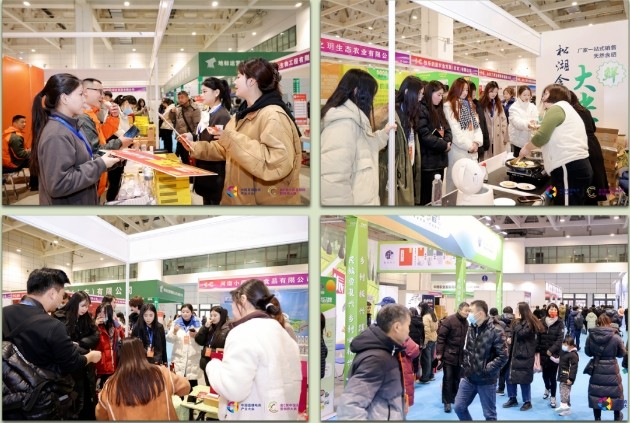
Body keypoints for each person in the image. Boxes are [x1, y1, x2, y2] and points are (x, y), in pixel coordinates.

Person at [181, 58, 303, 205]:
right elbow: (224, 149)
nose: (234, 82)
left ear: (251, 81)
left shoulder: (273, 115)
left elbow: (276, 163)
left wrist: (232, 139)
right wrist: (194, 146)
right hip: (239, 198)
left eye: (238, 77)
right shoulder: (241, 115)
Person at [2, 269, 102, 420]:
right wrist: (91, 356)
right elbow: (71, 363)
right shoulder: (53, 325)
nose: (61, 300)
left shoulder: (4, 313)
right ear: (52, 293)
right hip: (39, 400)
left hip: (10, 399)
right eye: (62, 294)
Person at [206, 279, 302, 420]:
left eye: (233, 302)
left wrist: (213, 366)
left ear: (243, 299)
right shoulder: (284, 335)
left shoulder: (243, 332)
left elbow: (233, 388)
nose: (232, 307)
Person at [30, 73, 120, 205]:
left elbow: (82, 161)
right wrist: (100, 164)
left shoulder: (71, 126)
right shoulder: (57, 134)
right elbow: (59, 184)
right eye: (80, 94)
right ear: (64, 99)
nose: (84, 99)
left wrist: (109, 159)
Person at [321, 68, 395, 205]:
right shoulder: (343, 125)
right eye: (370, 95)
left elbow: (364, 148)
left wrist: (384, 134)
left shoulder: (355, 120)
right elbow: (334, 182)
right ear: (356, 91)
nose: (372, 100)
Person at [518, 84, 593, 205]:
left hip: (568, 167)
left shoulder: (557, 107)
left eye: (546, 93)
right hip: (577, 167)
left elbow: (542, 136)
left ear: (556, 95)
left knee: (566, 210)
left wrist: (527, 148)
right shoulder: (567, 109)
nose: (543, 97)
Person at [337, 303, 410, 420]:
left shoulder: (388, 351)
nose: (409, 331)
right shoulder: (377, 359)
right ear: (397, 327)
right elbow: (349, 407)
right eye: (408, 325)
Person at [95, 338, 191, 420]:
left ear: (119, 356)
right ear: (142, 352)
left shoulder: (109, 386)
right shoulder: (161, 373)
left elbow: (100, 415)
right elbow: (186, 387)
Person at [78, 78, 134, 199]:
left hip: (97, 175)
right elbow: (95, 150)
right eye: (99, 91)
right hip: (90, 176)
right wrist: (119, 143)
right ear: (85, 91)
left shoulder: (92, 113)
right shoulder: (83, 116)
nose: (102, 96)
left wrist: (113, 117)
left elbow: (102, 136)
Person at [454, 300, 508, 421]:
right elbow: (468, 350)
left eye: (471, 311)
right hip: (469, 378)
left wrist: (486, 369)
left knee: (489, 415)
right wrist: (465, 367)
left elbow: (503, 356)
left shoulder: (496, 330)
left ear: (481, 313)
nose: (469, 314)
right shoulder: (472, 327)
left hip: (486, 380)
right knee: (459, 407)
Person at [53, 290, 100, 419]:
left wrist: (80, 343)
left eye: (87, 306)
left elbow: (96, 335)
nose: (85, 309)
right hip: (69, 369)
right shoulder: (60, 318)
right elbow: (64, 345)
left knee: (87, 398)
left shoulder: (87, 318)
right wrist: (83, 348)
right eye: (83, 305)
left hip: (86, 367)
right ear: (74, 303)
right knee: (73, 401)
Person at [377, 75, 423, 205]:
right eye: (419, 94)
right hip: (395, 172)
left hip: (408, 166)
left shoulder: (410, 112)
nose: (421, 97)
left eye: (422, 94)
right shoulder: (391, 116)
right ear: (407, 92)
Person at [189, 77, 232, 205]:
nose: (201, 95)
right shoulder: (208, 112)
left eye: (204, 91)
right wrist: (191, 137)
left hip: (215, 173)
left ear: (216, 93)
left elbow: (219, 148)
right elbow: (204, 135)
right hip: (205, 169)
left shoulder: (222, 116)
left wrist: (196, 146)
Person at [568, 91, 609, 204]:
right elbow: (593, 128)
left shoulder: (570, 113)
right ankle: (593, 201)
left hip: (582, 144)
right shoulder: (585, 110)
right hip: (593, 144)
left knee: (587, 176)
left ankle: (588, 203)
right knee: (596, 174)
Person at [443, 77, 483, 193]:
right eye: (463, 90)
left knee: (469, 184)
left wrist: (476, 143)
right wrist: (470, 146)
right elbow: (455, 132)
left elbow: (476, 126)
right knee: (455, 185)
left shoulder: (467, 105)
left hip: (472, 150)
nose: (465, 92)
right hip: (458, 152)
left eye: (466, 90)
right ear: (455, 89)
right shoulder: (448, 106)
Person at [503, 302, 545, 411]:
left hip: (524, 355)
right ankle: (512, 398)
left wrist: (517, 321)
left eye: (517, 308)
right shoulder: (517, 321)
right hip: (514, 353)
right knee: (510, 376)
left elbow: (522, 333)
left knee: (524, 379)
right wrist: (510, 337)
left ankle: (527, 401)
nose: (515, 310)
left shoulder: (530, 323)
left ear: (522, 310)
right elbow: (513, 332)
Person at [585, 314, 626, 421]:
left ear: (597, 323)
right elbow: (622, 354)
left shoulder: (591, 336)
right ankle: (617, 417)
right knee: (615, 393)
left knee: (597, 393)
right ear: (609, 323)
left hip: (597, 367)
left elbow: (588, 353)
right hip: (612, 368)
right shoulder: (616, 337)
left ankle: (598, 418)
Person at [418, 80, 452, 205]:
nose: (441, 98)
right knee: (427, 198)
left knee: (437, 197)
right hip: (428, 163)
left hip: (440, 161)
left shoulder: (439, 109)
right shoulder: (421, 109)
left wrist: (447, 141)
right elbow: (424, 135)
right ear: (429, 93)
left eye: (442, 95)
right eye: (438, 94)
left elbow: (448, 130)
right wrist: (444, 145)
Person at [436, 302, 470, 413]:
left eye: (469, 311)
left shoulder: (466, 323)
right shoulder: (449, 320)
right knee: (448, 379)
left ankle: (454, 397)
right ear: (460, 310)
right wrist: (439, 353)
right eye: (466, 310)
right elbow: (441, 337)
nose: (468, 313)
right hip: (448, 355)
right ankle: (447, 402)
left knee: (457, 379)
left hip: (460, 356)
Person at [166, 303, 202, 391]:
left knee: (192, 383)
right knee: (179, 384)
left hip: (192, 358)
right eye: (183, 312)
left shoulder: (198, 324)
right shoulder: (175, 323)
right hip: (179, 357)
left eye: (187, 312)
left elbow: (202, 341)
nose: (185, 314)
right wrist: (174, 332)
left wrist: (196, 335)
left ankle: (192, 399)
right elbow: (169, 339)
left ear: (191, 312)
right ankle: (180, 399)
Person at [537, 302, 565, 408]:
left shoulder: (560, 323)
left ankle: (553, 397)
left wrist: (551, 350)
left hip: (554, 354)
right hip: (543, 353)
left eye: (554, 309)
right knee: (545, 375)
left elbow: (560, 339)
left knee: (553, 377)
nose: (552, 311)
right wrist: (538, 349)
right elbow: (538, 336)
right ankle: (547, 388)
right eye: (551, 309)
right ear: (547, 310)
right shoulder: (542, 321)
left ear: (557, 311)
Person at [194, 305, 230, 386]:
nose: (212, 318)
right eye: (211, 315)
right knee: (208, 386)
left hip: (219, 364)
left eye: (215, 315)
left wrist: (211, 351)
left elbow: (227, 349)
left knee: (217, 387)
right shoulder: (209, 327)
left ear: (222, 316)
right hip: (206, 363)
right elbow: (199, 341)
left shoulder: (227, 329)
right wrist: (205, 328)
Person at [94, 303, 125, 389]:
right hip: (101, 365)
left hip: (115, 363)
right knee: (101, 390)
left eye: (104, 312)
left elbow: (123, 339)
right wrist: (94, 326)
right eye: (99, 312)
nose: (101, 314)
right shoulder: (94, 326)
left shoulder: (115, 326)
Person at [477, 81, 508, 159]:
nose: (494, 94)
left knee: (497, 160)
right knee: (487, 161)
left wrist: (504, 134)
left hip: (498, 136)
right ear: (487, 91)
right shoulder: (481, 103)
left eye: (496, 92)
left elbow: (504, 119)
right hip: (486, 136)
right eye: (492, 91)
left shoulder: (498, 103)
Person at [507, 85, 540, 157]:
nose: (527, 97)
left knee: (529, 161)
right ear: (519, 95)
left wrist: (535, 122)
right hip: (517, 141)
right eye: (524, 95)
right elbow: (516, 122)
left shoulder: (532, 106)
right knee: (518, 160)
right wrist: (528, 124)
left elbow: (536, 117)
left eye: (528, 95)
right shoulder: (514, 107)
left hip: (530, 140)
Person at [171, 90, 201, 166]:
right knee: (180, 159)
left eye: (182, 97)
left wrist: (192, 137)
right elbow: (174, 121)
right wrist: (172, 113)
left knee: (189, 161)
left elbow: (197, 126)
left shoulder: (194, 109)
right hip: (180, 138)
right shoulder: (178, 108)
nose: (180, 100)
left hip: (189, 140)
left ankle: (191, 173)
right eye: (178, 98)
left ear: (188, 98)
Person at [2, 115, 33, 184]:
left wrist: (28, 151)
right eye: (22, 122)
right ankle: (34, 184)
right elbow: (20, 155)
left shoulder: (7, 132)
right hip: (12, 164)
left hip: (5, 162)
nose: (24, 124)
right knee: (35, 161)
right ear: (14, 123)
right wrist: (32, 152)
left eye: (25, 122)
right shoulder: (15, 137)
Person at [554, 335, 579, 416]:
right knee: (564, 391)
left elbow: (574, 368)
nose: (564, 346)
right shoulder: (564, 352)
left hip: (567, 377)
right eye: (563, 344)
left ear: (571, 345)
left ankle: (564, 406)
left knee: (564, 392)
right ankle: (566, 407)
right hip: (562, 375)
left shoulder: (573, 355)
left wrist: (571, 378)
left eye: (566, 344)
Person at [497, 306, 516, 395]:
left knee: (502, 369)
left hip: (503, 345)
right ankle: (511, 391)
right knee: (510, 370)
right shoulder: (516, 320)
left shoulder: (500, 320)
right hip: (512, 346)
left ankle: (501, 388)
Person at [419, 301, 438, 383]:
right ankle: (431, 375)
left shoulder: (425, 317)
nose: (419, 310)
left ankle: (425, 378)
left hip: (428, 340)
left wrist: (425, 342)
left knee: (426, 360)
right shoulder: (433, 314)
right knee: (431, 358)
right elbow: (436, 327)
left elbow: (426, 331)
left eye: (420, 308)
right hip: (434, 338)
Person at [408, 307, 425, 381]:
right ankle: (416, 376)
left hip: (410, 343)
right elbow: (423, 333)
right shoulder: (420, 320)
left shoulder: (408, 322)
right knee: (417, 359)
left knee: (409, 360)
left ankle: (412, 376)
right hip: (418, 342)